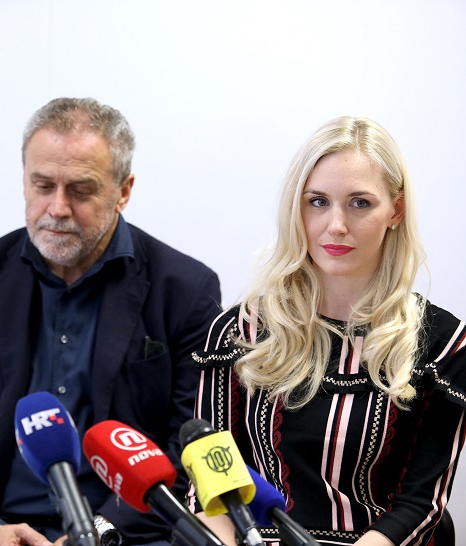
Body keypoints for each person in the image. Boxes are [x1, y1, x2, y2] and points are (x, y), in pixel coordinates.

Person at [0, 97, 222, 546]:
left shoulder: (185, 290)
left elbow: (190, 447)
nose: (57, 208)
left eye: (81, 190)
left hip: (125, 535)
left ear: (123, 191)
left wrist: (98, 532)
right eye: (42, 185)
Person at [189, 117, 466, 546]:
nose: (336, 224)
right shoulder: (238, 331)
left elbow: (421, 504)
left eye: (360, 203)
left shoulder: (443, 343)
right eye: (317, 201)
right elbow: (210, 487)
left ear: (395, 210)